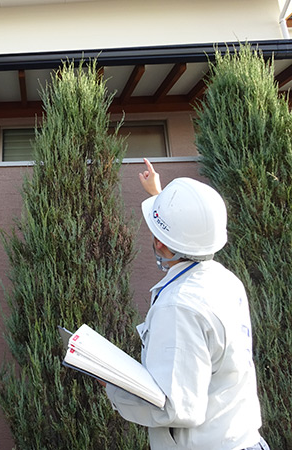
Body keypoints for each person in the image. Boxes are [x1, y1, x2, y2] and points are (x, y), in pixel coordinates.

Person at [104, 158, 268, 449]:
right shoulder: (225, 280)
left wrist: (111, 384)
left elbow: (175, 407)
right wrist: (159, 196)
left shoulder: (178, 307)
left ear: (160, 243)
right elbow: (188, 233)